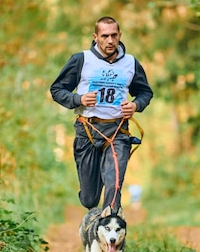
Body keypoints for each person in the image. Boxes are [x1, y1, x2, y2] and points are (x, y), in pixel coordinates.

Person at [50, 16, 153, 212]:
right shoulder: (81, 60)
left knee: (114, 187)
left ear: (120, 35)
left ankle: (110, 238)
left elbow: (145, 92)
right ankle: (94, 206)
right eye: (105, 36)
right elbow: (56, 90)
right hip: (87, 131)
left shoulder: (131, 63)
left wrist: (136, 105)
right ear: (95, 37)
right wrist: (78, 99)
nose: (110, 40)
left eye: (114, 35)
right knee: (89, 199)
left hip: (117, 131)